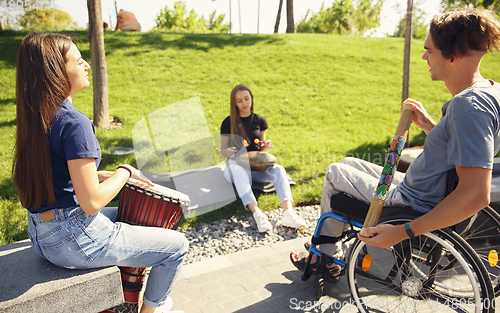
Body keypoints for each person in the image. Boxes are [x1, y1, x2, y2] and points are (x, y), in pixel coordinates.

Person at [291, 8, 500, 277]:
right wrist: (429, 126)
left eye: (430, 50)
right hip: (423, 188)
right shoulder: (490, 91)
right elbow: (464, 148)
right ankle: (328, 246)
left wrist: (402, 232)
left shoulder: (468, 107)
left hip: (413, 202)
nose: (424, 57)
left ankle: (327, 256)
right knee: (348, 163)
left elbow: (475, 195)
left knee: (334, 172)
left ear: (454, 57)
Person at [12, 32, 187, 313]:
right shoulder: (74, 122)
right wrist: (124, 172)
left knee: (133, 218)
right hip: (72, 239)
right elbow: (92, 203)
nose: (87, 66)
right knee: (177, 246)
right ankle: (149, 310)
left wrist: (98, 174)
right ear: (57, 71)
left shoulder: (38, 116)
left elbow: (59, 171)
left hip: (41, 234)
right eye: (79, 60)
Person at [220, 84, 307, 232]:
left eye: (247, 99)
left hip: (255, 168)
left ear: (251, 99)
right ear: (234, 103)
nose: (244, 103)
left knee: (279, 169)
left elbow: (260, 151)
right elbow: (223, 150)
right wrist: (228, 151)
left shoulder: (260, 121)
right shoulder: (228, 122)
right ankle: (257, 214)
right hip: (234, 168)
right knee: (237, 169)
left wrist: (266, 146)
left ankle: (288, 212)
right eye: (240, 101)